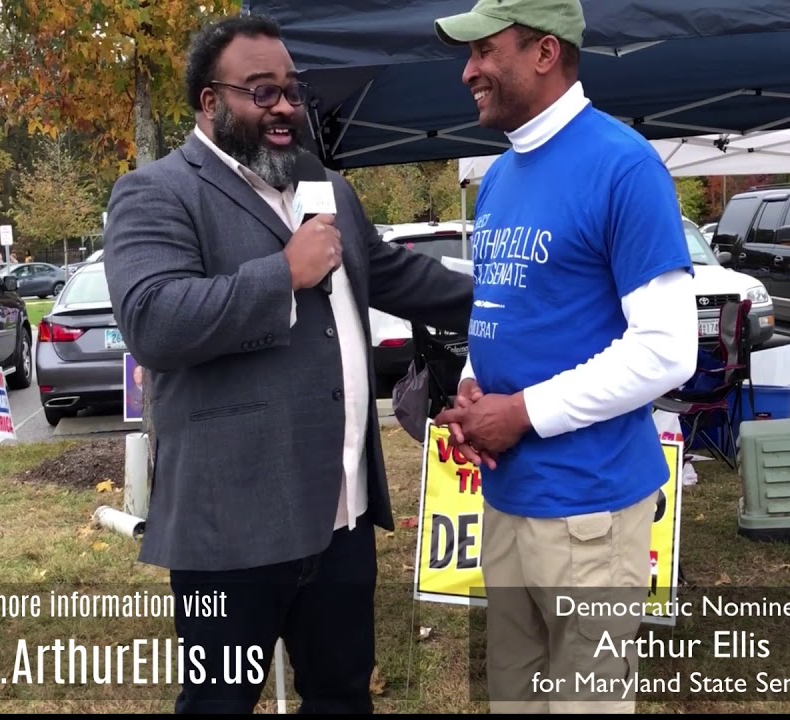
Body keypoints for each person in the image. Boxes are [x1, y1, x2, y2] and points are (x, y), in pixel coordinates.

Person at [101, 14, 473, 714]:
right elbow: (153, 319)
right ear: (210, 102)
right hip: (232, 523)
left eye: (292, 92)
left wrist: (511, 300)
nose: (284, 108)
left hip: (342, 513)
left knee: (340, 694)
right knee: (219, 703)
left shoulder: (322, 185)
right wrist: (283, 273)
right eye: (262, 92)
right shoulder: (156, 191)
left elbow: (393, 274)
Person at [430, 0, 699, 714]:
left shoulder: (622, 165)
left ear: (545, 53)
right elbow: (508, 309)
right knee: (514, 697)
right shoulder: (501, 178)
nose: (469, 71)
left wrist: (520, 413)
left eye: (486, 51)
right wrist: (470, 388)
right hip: (508, 501)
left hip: (591, 512)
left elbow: (669, 349)